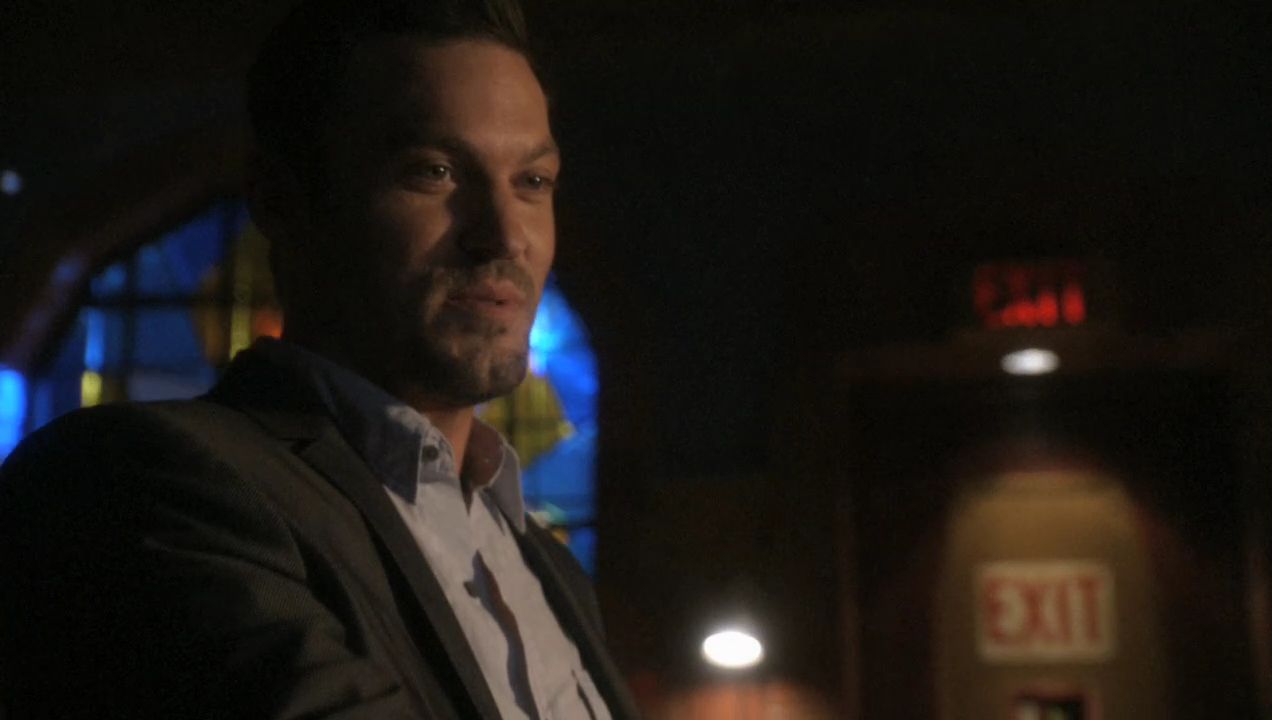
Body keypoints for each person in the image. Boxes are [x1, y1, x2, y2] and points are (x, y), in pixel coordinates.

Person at [0, 1, 639, 717]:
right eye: (433, 171)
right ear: (282, 202)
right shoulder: (140, 479)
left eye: (532, 182)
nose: (503, 234)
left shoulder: (544, 565)